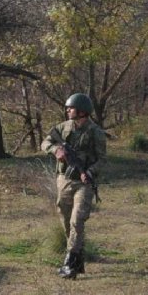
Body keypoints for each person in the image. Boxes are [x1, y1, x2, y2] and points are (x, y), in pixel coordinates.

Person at [41, 93, 107, 280]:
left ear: (82, 112)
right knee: (65, 218)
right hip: (64, 180)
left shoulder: (96, 133)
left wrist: (90, 172)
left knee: (77, 221)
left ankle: (69, 263)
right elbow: (45, 142)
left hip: (84, 183)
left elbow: (103, 159)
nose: (67, 110)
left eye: (71, 108)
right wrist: (56, 150)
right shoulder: (62, 128)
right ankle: (78, 259)